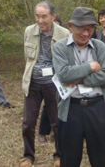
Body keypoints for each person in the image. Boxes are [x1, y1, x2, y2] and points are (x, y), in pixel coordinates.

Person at [52, 7, 105, 167]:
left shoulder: (100, 47)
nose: (86, 34)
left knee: (101, 158)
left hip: (98, 107)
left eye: (90, 29)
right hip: (71, 109)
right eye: (81, 29)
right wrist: (90, 67)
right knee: (69, 159)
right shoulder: (60, 47)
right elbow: (64, 75)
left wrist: (77, 79)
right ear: (71, 26)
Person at [20, 1, 70, 167]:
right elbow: (28, 57)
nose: (40, 20)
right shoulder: (29, 31)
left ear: (53, 16)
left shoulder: (64, 33)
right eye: (37, 16)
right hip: (33, 83)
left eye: (44, 16)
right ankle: (28, 156)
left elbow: (67, 59)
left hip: (54, 84)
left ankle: (59, 155)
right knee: (28, 123)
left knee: (57, 122)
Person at [38, 15, 63, 143]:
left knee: (60, 105)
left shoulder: (63, 38)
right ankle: (43, 131)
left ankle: (58, 133)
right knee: (48, 106)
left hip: (60, 76)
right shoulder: (42, 38)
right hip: (46, 78)